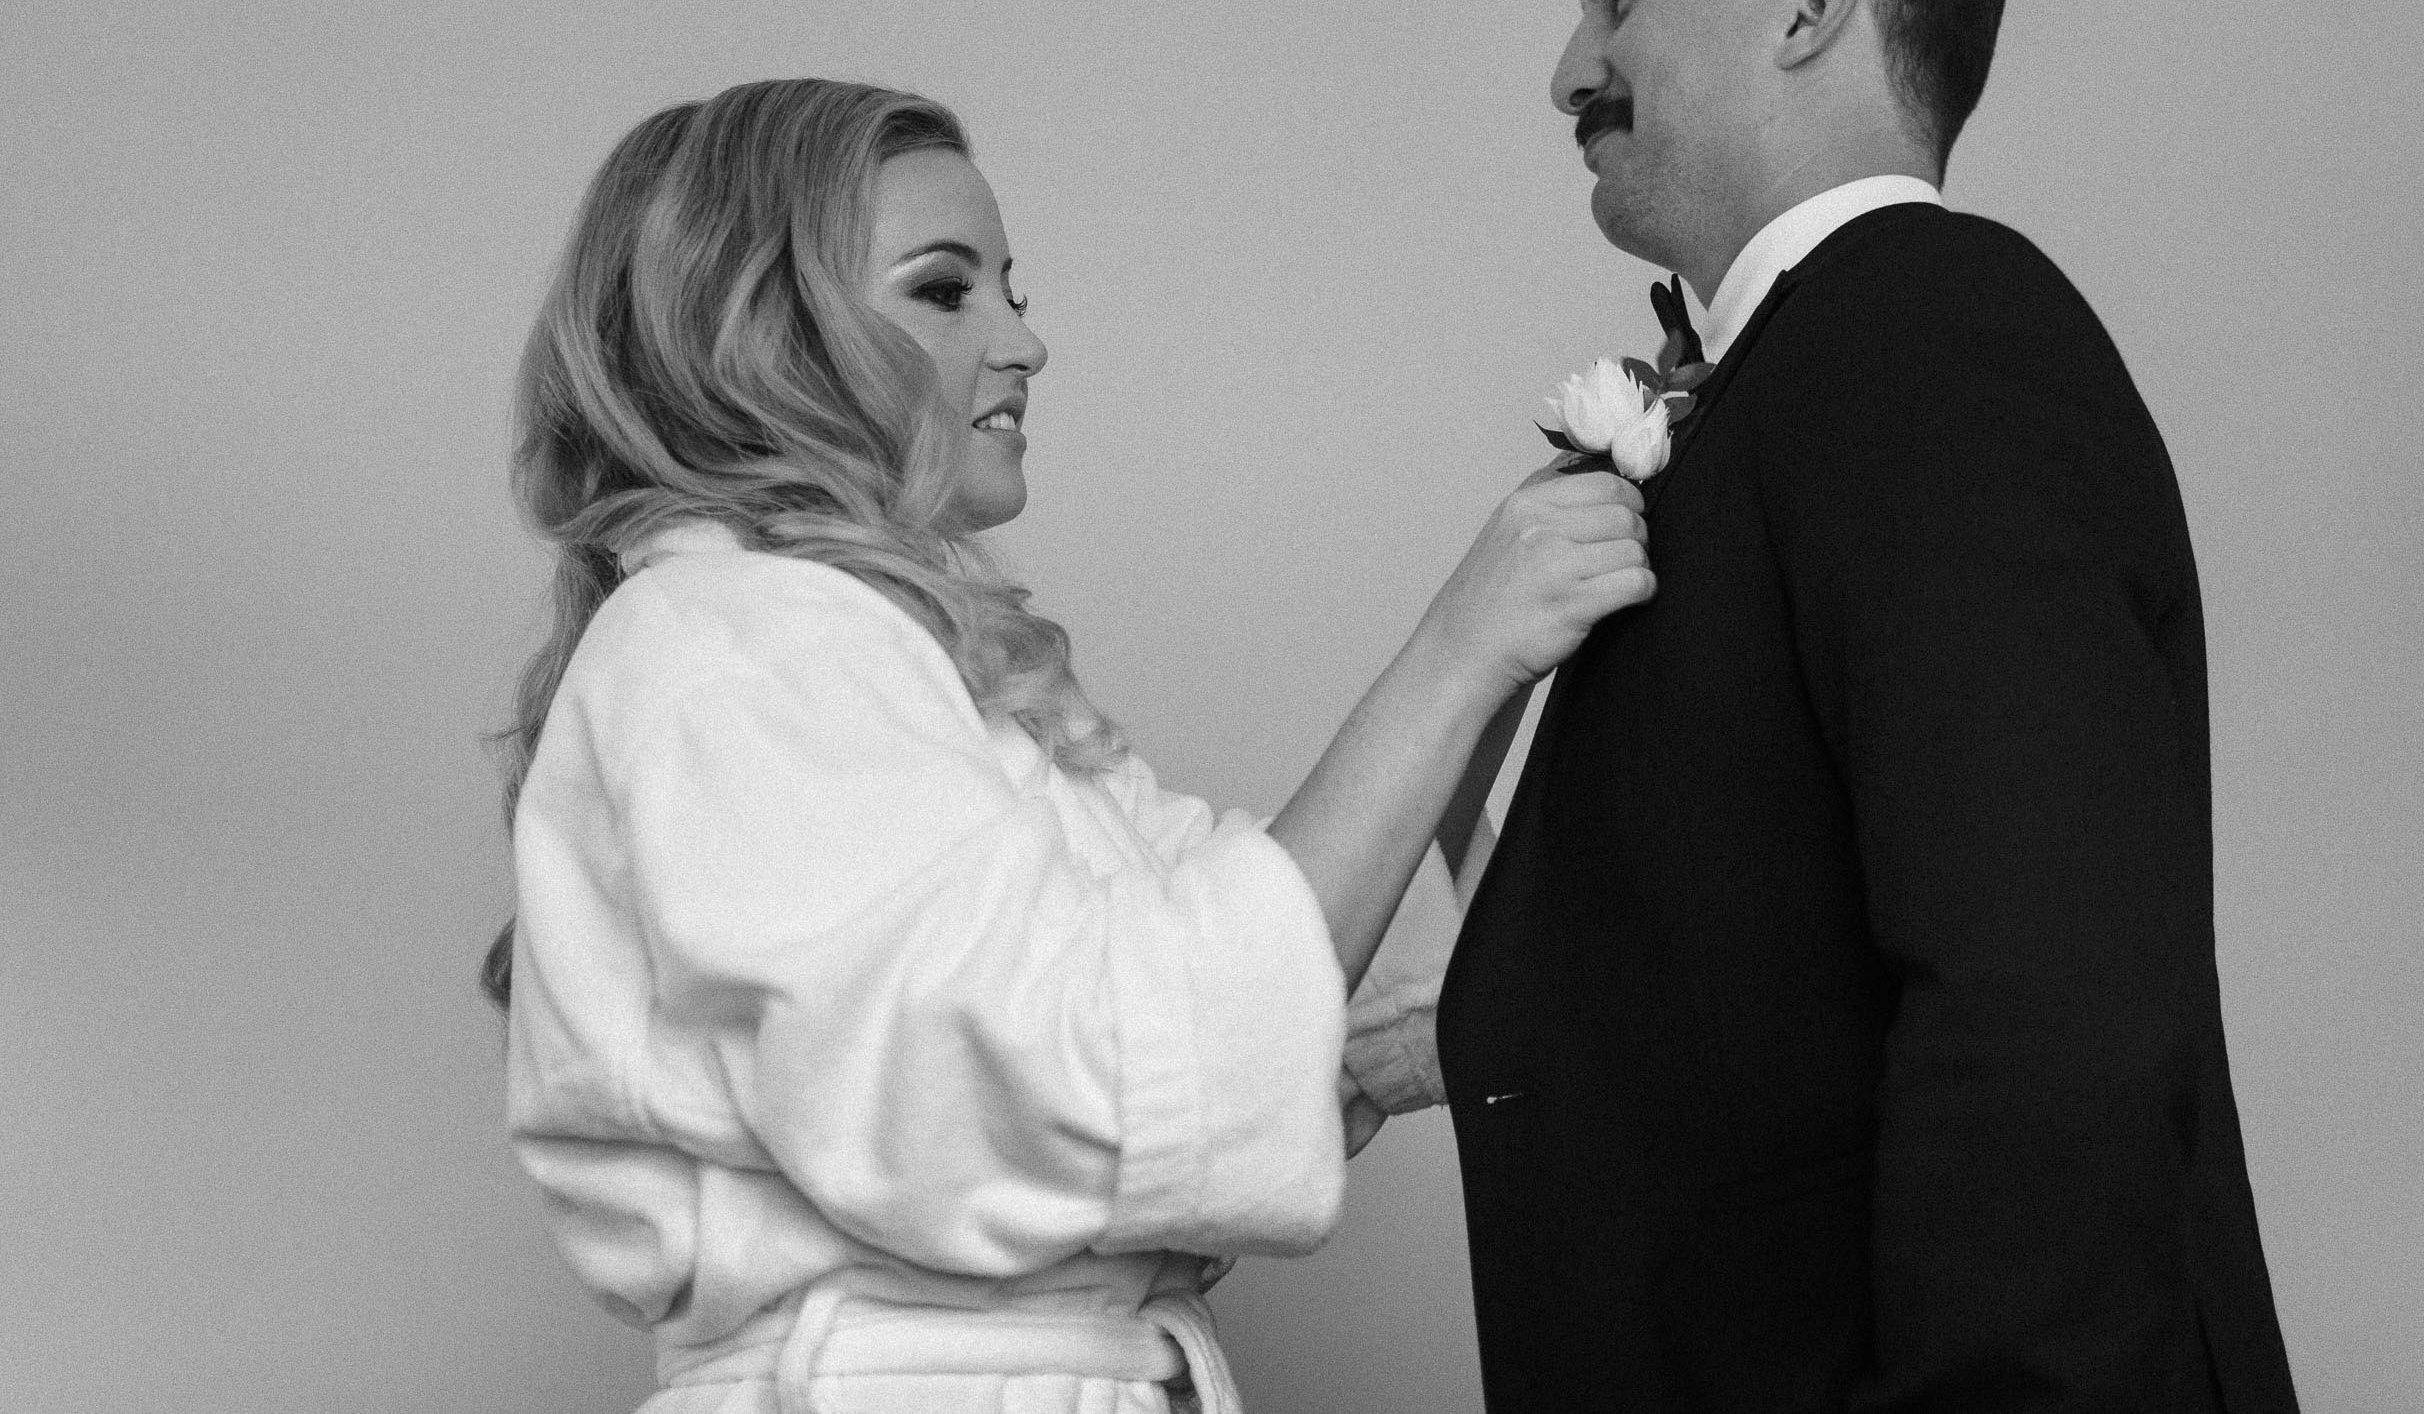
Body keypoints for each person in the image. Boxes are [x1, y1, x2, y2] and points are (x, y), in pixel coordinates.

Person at [484, 78, 1650, 1414]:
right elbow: (1062, 1080)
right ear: (762, 335)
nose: (1024, 342)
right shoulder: (735, 641)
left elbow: (1264, 994)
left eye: (1011, 291)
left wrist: (1501, 664)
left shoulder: (913, 673)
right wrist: (1458, 652)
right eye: (945, 291)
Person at [1434, 0, 2301, 1410]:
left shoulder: (1930, 336)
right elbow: (1784, 975)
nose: (1567, 70)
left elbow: (2041, 992)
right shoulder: (1819, 369)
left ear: (1812, 9)